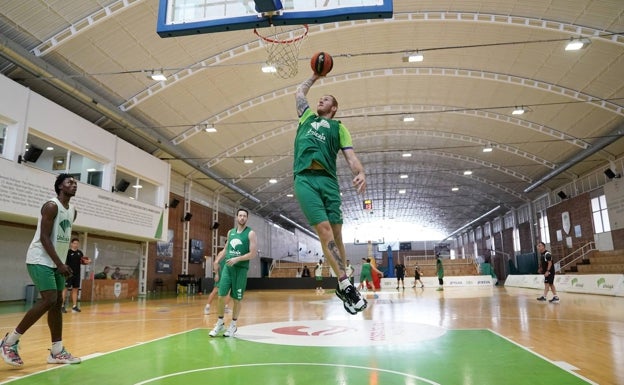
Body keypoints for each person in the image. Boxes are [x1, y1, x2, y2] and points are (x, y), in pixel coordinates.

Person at [293, 72, 368, 315]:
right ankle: (346, 285)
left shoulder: (339, 128)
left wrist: (360, 172)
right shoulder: (306, 117)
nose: (320, 100)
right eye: (320, 98)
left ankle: (343, 282)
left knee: (337, 234)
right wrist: (314, 76)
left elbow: (351, 156)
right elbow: (299, 93)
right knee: (324, 230)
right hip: (305, 178)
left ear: (334, 108)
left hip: (329, 181)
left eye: (326, 99)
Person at [0, 174, 81, 367]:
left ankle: (57, 351)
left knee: (57, 303)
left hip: (56, 262)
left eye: (75, 183)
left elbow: (61, 239)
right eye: (70, 182)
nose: (74, 185)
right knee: (50, 299)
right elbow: (45, 238)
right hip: (39, 259)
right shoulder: (51, 206)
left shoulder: (73, 211)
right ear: (60, 186)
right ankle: (9, 343)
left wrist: (63, 262)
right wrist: (60, 263)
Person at [209, 208, 257, 338]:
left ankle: (233, 325)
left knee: (236, 299)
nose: (242, 218)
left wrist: (238, 258)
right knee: (220, 296)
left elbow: (253, 254)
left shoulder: (250, 233)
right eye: (240, 215)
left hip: (240, 270)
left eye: (244, 216)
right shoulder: (231, 232)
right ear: (237, 217)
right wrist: (217, 260)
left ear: (247, 218)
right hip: (228, 269)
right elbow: (226, 249)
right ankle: (219, 323)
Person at [203, 250, 231, 315]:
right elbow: (216, 263)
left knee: (229, 291)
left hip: (228, 274)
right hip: (221, 275)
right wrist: (216, 274)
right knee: (215, 291)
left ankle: (225, 308)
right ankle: (207, 307)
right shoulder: (222, 253)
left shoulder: (231, 252)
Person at [62, 238, 83, 313]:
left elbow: (82, 261)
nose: (76, 245)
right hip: (68, 274)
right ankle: (62, 306)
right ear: (71, 244)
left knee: (75, 289)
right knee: (65, 288)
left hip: (77, 274)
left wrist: (87, 261)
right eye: (74, 243)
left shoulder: (80, 253)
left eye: (77, 243)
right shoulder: (67, 252)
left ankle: (74, 306)